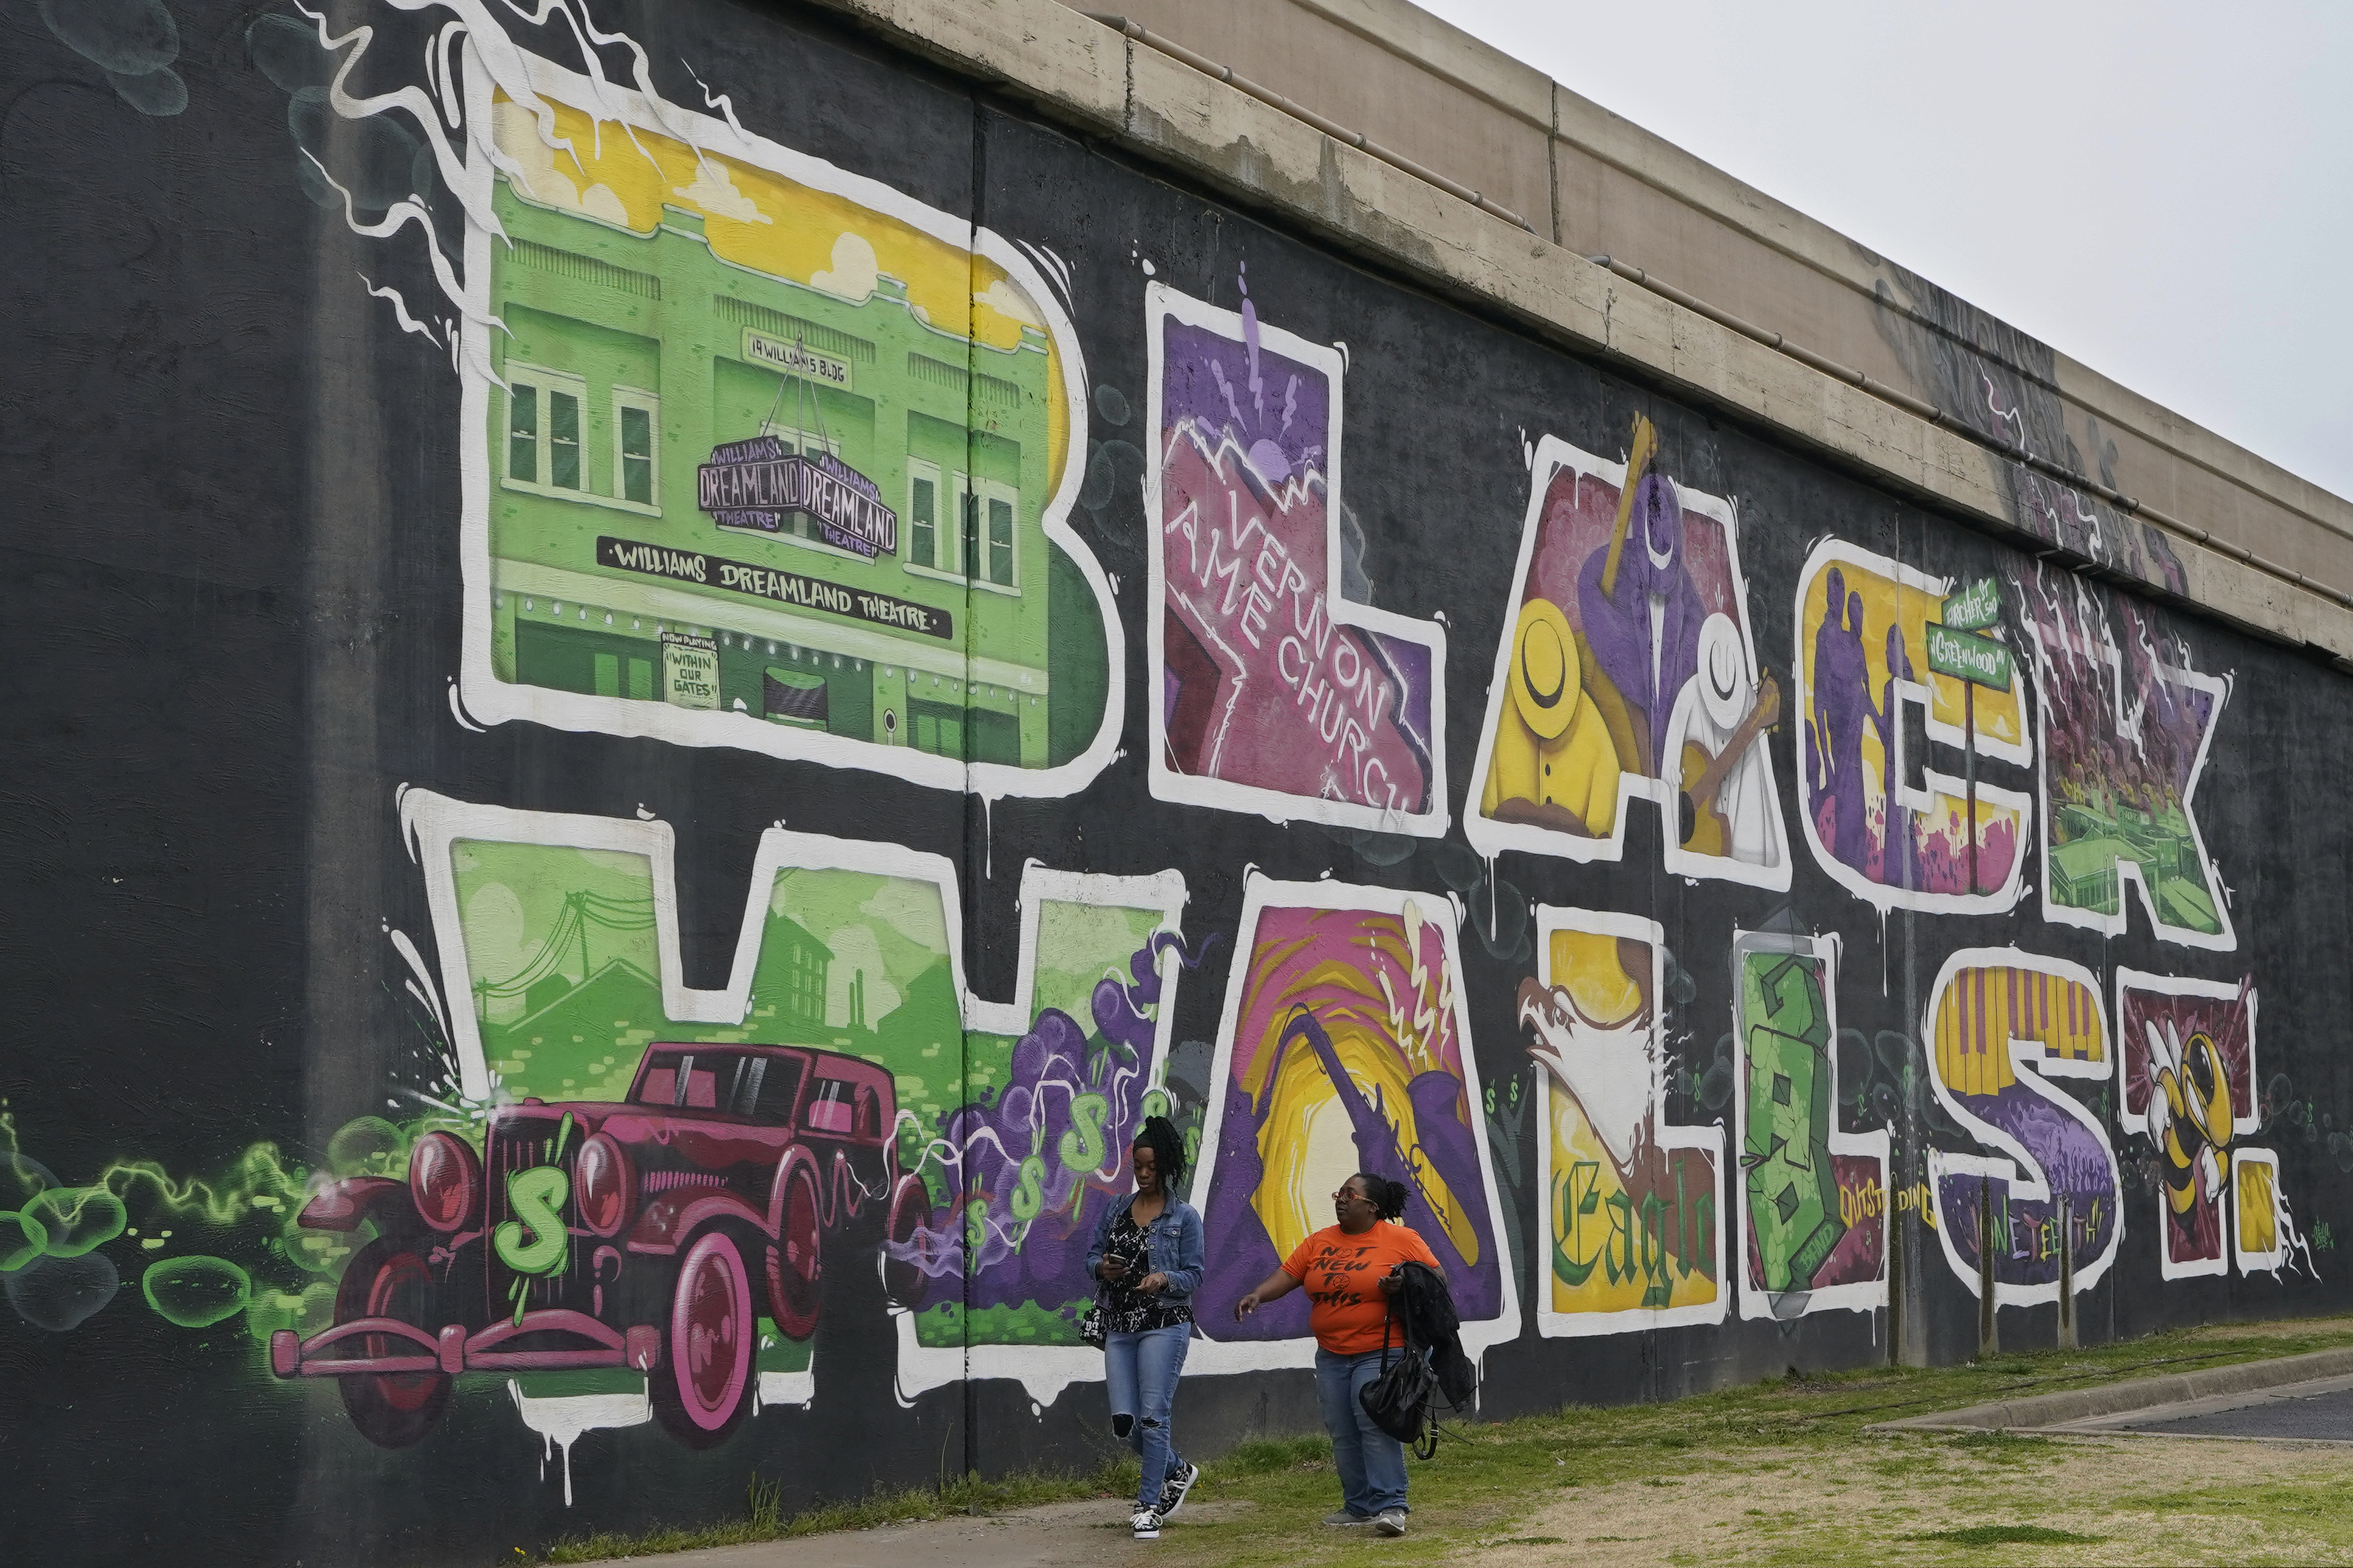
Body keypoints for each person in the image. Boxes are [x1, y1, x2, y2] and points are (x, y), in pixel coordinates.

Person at [1232, 1171, 1438, 1538]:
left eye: (1349, 1194)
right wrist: (1258, 1295)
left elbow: (1438, 1278)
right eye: (1338, 1193)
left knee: (1372, 1424)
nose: (1340, 1199)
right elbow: (1289, 1274)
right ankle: (1358, 1506)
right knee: (1342, 1430)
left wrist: (1404, 1282)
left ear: (1372, 1207)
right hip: (1331, 1353)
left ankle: (1391, 1505)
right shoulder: (1319, 1242)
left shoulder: (1401, 1239)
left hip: (1380, 1349)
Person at [1084, 1116, 1205, 1541]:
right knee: (1125, 1422)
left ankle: (1149, 1505)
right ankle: (1178, 1469)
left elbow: (1195, 1273)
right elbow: (1091, 1256)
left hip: (1164, 1323)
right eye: (1138, 1165)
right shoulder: (1117, 1208)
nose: (1144, 1172)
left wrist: (1165, 1278)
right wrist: (1103, 1267)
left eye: (1152, 1165)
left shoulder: (1184, 1216)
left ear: (1166, 1165)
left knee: (1154, 1417)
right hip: (1120, 1324)